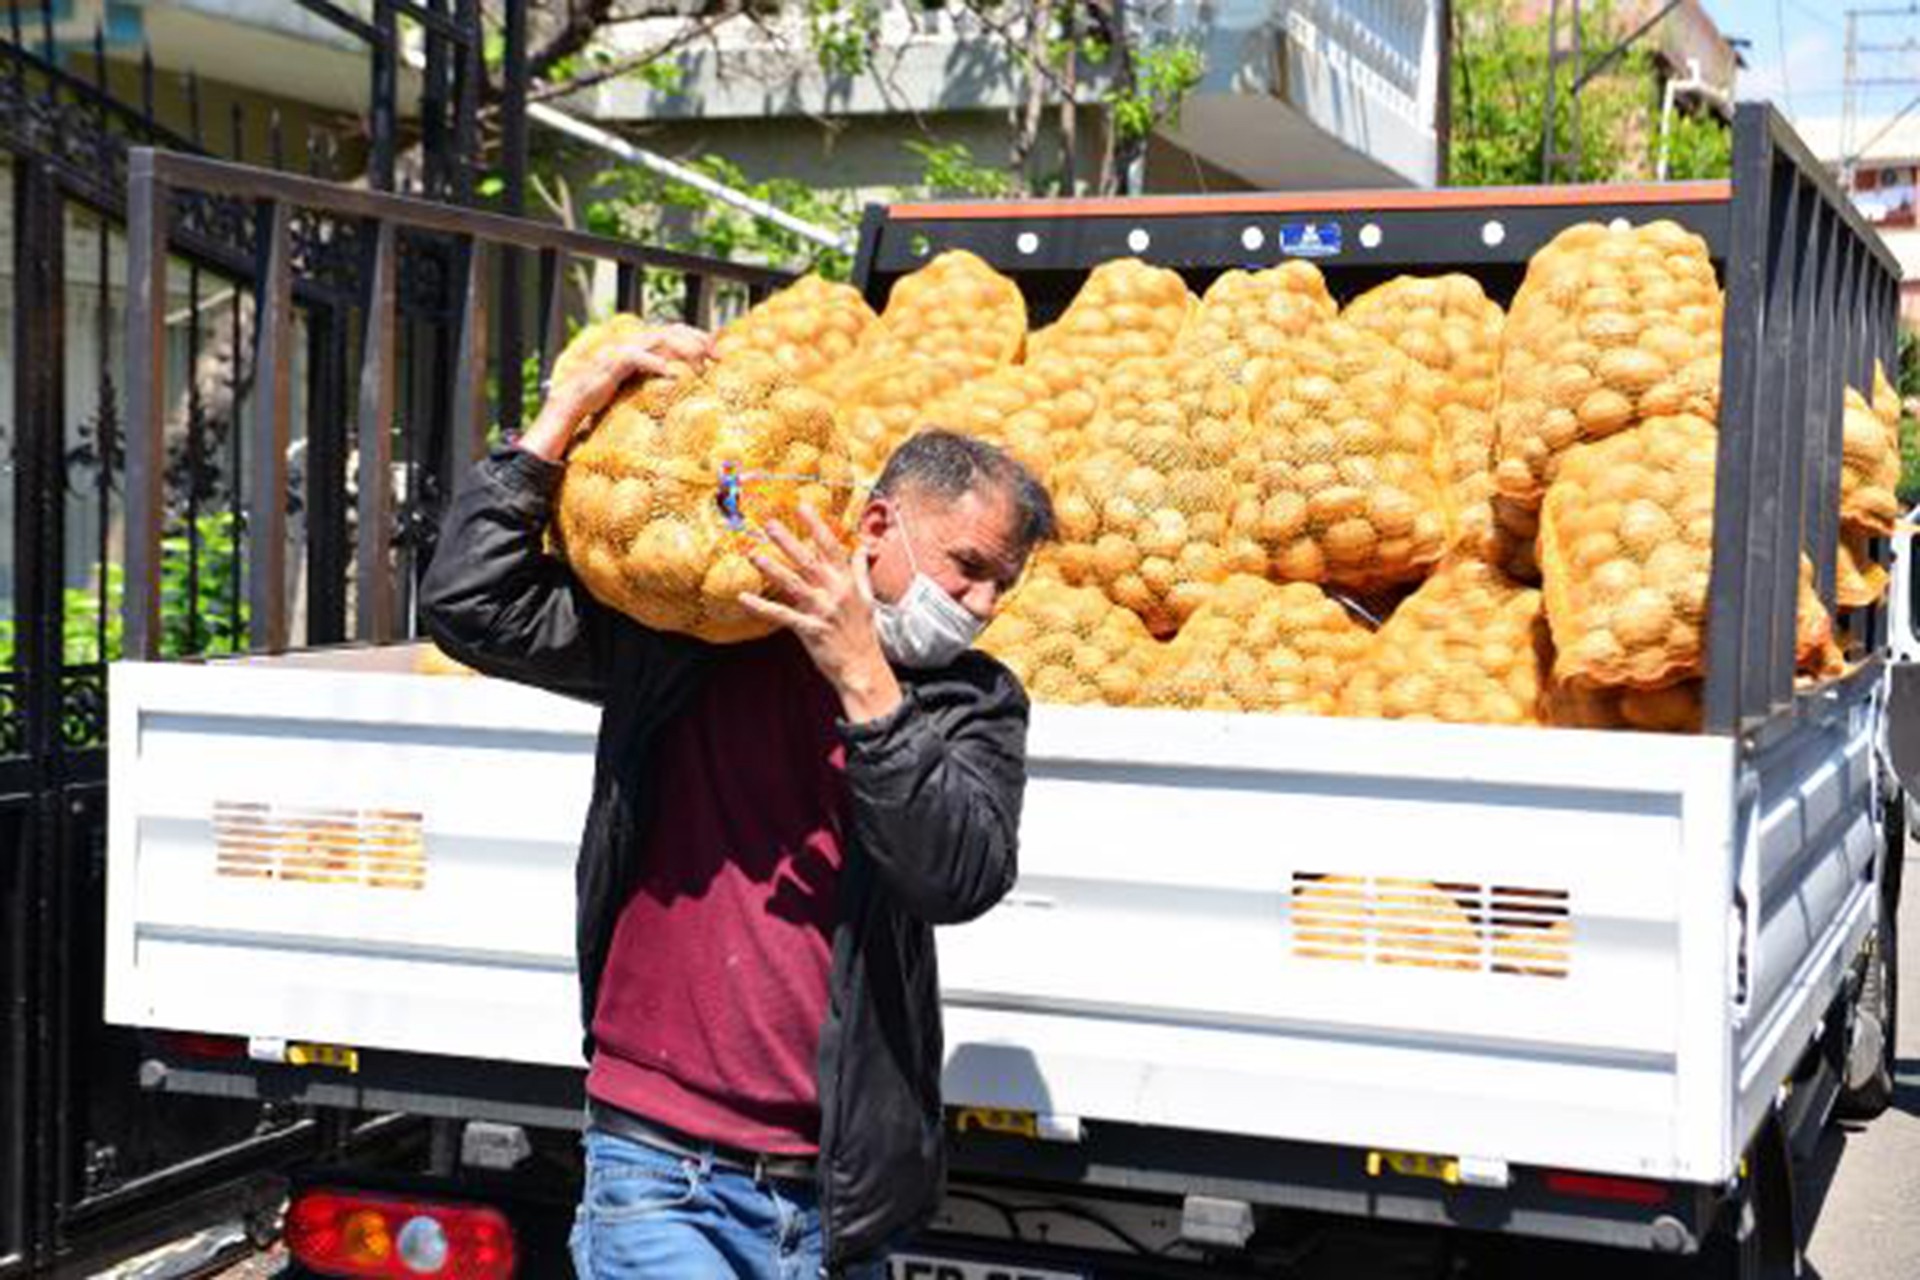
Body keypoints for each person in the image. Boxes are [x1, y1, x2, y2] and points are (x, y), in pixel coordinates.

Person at [419, 322, 1056, 1279]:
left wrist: (867, 687)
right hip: (660, 1167)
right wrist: (561, 417)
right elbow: (475, 605)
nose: (980, 602)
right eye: (966, 567)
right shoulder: (706, 631)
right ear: (876, 525)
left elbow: (954, 875)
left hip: (832, 1195)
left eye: (1002, 584)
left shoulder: (972, 701)